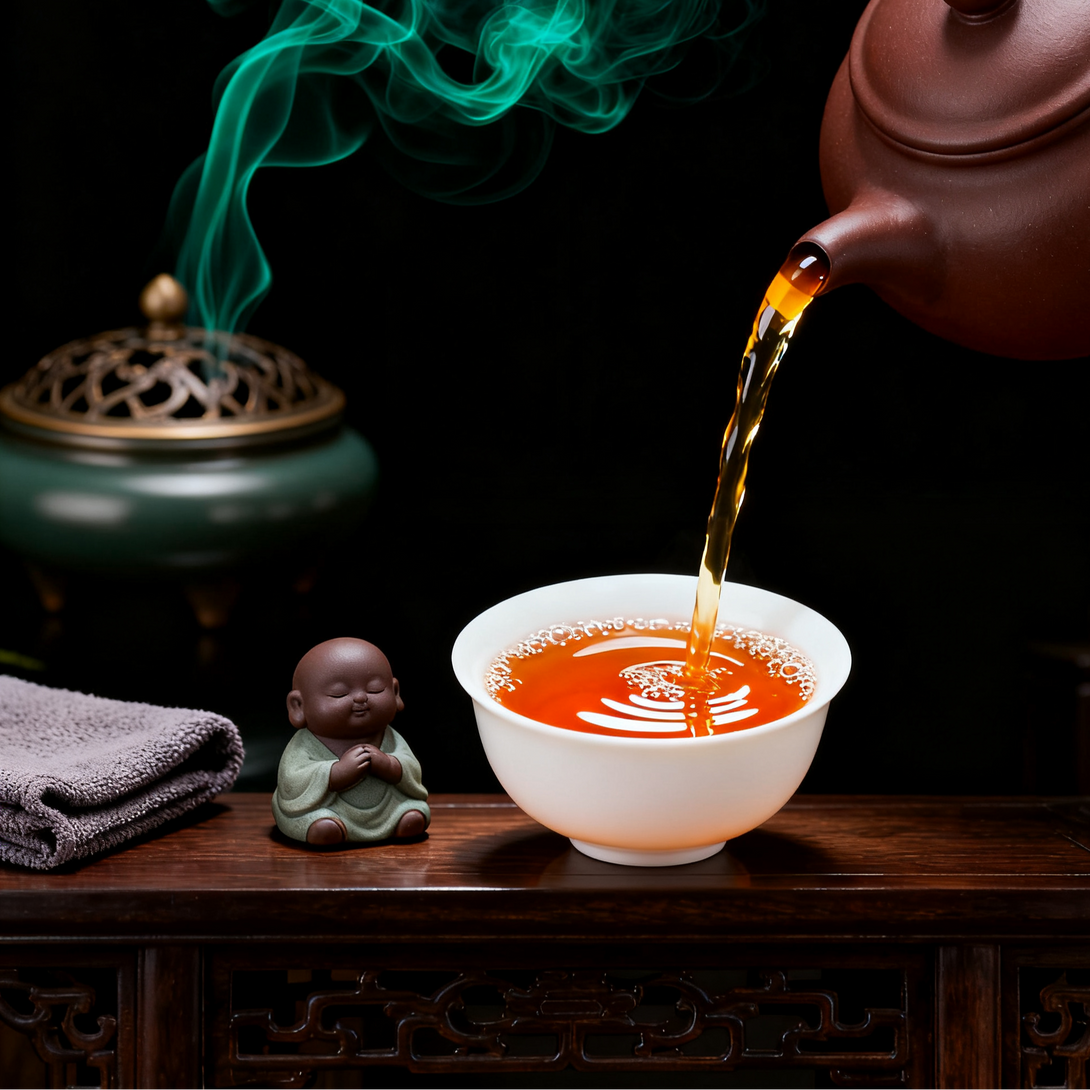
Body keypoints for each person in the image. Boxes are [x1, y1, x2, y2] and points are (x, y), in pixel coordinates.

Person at [272, 638, 430, 845]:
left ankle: (400, 819)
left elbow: (412, 770)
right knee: (321, 824)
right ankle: (328, 826)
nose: (360, 698)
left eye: (374, 689)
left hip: (388, 808)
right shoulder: (305, 744)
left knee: (414, 812)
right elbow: (291, 781)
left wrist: (390, 765)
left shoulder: (390, 737)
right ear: (298, 706)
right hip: (329, 811)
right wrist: (335, 773)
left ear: (395, 692)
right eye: (339, 693)